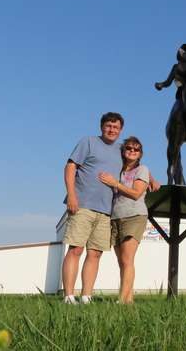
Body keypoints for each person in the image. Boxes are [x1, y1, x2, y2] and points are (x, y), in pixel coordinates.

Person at [61, 112, 124, 304]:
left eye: (116, 127)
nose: (112, 130)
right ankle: (69, 296)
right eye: (108, 126)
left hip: (106, 210)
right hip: (83, 204)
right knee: (76, 249)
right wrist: (72, 195)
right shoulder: (88, 142)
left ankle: (86, 296)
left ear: (120, 130)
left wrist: (152, 179)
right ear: (102, 127)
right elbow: (70, 167)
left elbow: (134, 164)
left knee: (95, 253)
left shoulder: (122, 149)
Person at [98, 136, 155, 304]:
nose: (132, 151)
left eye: (136, 149)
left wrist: (115, 183)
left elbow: (136, 193)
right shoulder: (118, 169)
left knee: (127, 259)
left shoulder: (142, 169)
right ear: (123, 151)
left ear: (140, 154)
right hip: (115, 216)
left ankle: (122, 300)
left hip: (134, 216)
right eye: (129, 148)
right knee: (121, 261)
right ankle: (128, 299)